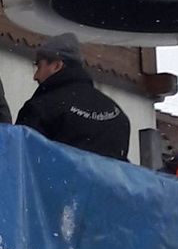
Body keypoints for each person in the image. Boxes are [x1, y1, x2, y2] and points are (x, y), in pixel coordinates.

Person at [16, 32, 131, 161]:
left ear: (56, 66)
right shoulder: (117, 116)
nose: (35, 76)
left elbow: (21, 161)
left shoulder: (41, 108)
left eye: (39, 66)